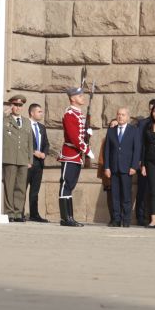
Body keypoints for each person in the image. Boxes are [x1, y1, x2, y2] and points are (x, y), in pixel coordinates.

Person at [57, 85, 91, 227]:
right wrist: (86, 149)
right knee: (65, 185)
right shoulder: (69, 114)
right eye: (79, 96)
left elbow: (80, 134)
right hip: (70, 154)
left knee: (70, 185)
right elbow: (73, 137)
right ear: (72, 98)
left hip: (76, 155)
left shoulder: (79, 114)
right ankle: (66, 218)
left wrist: (87, 134)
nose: (82, 98)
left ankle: (70, 217)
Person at [103, 106, 141, 226]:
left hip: (127, 168)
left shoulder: (134, 130)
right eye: (118, 114)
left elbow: (137, 150)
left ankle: (126, 220)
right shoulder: (111, 131)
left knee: (126, 195)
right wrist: (107, 167)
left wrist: (134, 166)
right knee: (115, 195)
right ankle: (116, 219)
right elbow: (107, 150)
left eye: (123, 114)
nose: (120, 116)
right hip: (113, 168)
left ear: (128, 117)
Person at [2, 94, 33, 221]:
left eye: (20, 105)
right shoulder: (5, 120)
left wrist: (30, 159)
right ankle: (9, 212)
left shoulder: (26, 122)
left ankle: (18, 212)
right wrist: (4, 114)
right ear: (11, 106)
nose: (18, 108)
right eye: (15, 105)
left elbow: (30, 142)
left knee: (21, 186)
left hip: (22, 159)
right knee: (9, 186)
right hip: (9, 158)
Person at [27, 102, 50, 222]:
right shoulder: (25, 125)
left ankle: (34, 214)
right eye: (39, 111)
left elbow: (46, 143)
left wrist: (44, 154)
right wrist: (33, 152)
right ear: (32, 113)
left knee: (35, 191)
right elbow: (23, 143)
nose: (41, 113)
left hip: (39, 163)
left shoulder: (42, 127)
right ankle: (18, 213)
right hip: (28, 162)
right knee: (22, 188)